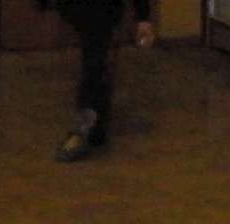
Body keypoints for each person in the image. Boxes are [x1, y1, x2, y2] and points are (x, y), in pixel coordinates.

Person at [45, 0, 155, 162]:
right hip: (85, 9)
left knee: (94, 65)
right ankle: (94, 126)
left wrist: (143, 17)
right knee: (95, 64)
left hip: (100, 10)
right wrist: (143, 17)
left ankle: (87, 127)